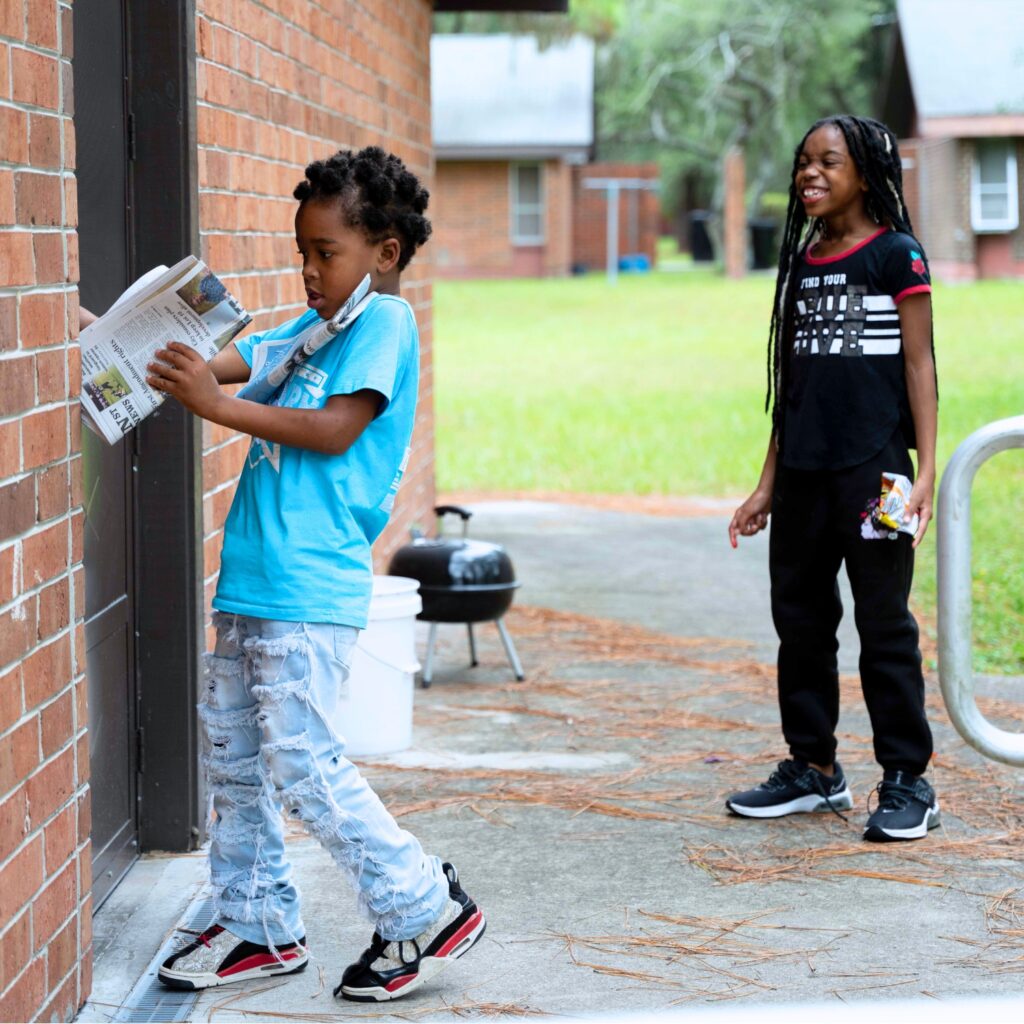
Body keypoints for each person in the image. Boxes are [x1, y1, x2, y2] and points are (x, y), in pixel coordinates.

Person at [139, 147, 485, 1000]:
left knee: (304, 763)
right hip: (253, 582)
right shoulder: (305, 331)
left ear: (386, 253)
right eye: (303, 251)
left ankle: (422, 907)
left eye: (327, 253)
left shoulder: (384, 326)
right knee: (235, 757)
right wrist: (129, 342)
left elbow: (335, 430)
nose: (308, 269)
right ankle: (255, 921)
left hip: (310, 588)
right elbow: (231, 358)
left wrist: (217, 410)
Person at [725, 115, 940, 843]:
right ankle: (814, 769)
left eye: (828, 161)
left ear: (865, 173)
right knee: (803, 627)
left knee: (885, 629)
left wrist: (927, 472)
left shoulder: (897, 257)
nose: (809, 174)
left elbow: (919, 365)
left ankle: (909, 779)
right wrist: (765, 486)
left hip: (875, 473)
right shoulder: (803, 263)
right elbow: (791, 388)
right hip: (805, 480)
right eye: (802, 163)